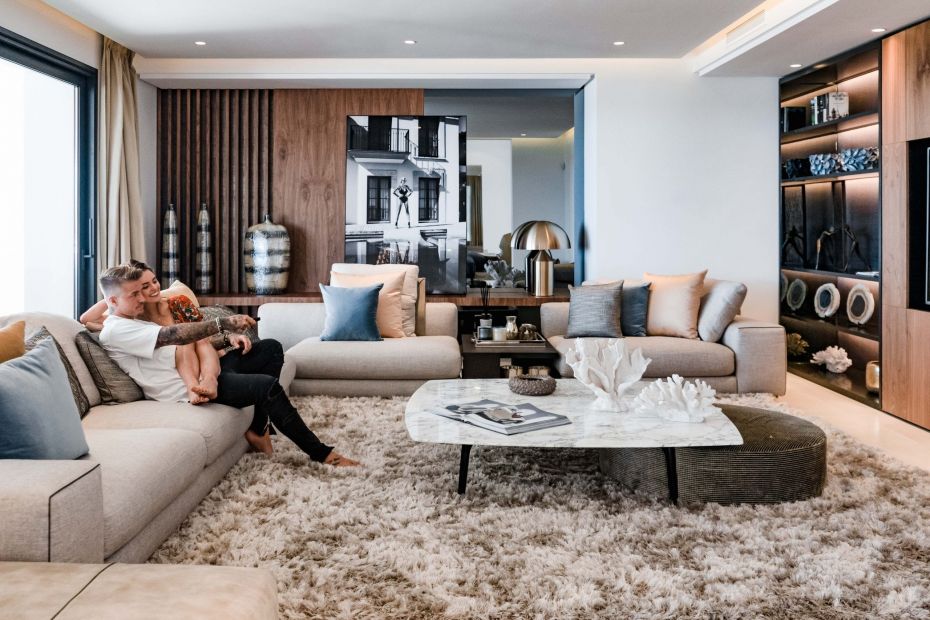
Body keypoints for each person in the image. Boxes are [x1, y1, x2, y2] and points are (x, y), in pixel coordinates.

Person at [97, 264, 359, 467]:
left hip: (205, 369)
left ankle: (257, 427)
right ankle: (322, 454)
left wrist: (223, 341)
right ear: (113, 301)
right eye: (134, 294)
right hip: (186, 390)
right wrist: (224, 324)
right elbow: (176, 336)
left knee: (270, 348)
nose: (142, 298)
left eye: (145, 289)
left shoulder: (130, 318)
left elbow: (96, 312)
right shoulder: (117, 330)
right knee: (266, 387)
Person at [81, 260, 220, 406]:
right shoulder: (127, 322)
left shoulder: (143, 319)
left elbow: (205, 340)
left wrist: (227, 339)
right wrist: (115, 291)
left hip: (207, 364)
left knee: (199, 338)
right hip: (185, 384)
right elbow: (86, 319)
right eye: (141, 289)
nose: (152, 289)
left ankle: (209, 380)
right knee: (186, 337)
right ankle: (195, 386)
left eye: (154, 281)